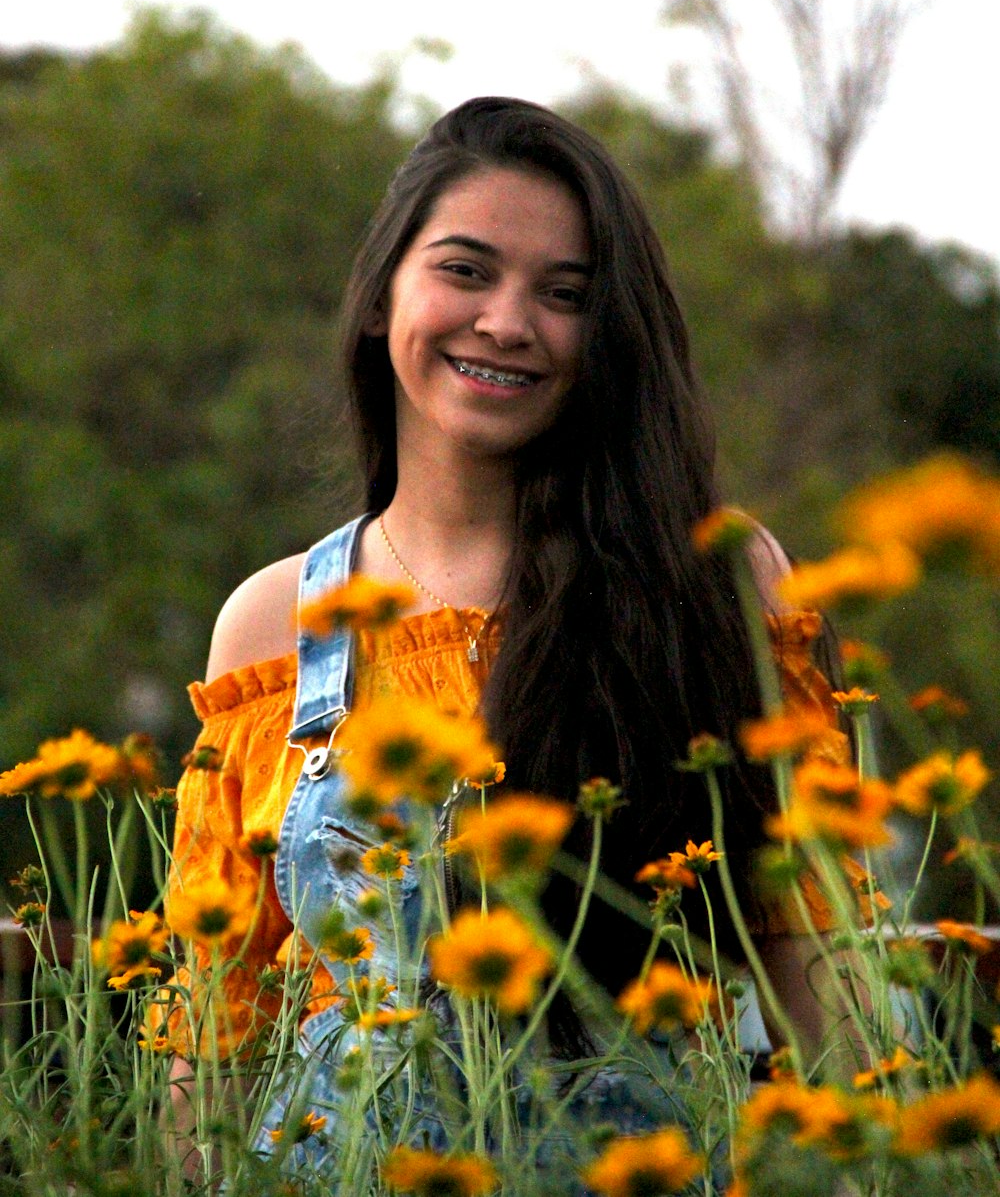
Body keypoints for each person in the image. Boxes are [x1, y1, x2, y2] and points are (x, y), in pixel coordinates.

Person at [159, 96, 852, 1171]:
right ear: (383, 292)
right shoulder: (272, 622)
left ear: (609, 333)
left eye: (564, 294)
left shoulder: (714, 577)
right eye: (466, 270)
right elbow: (215, 1024)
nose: (507, 322)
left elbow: (811, 953)